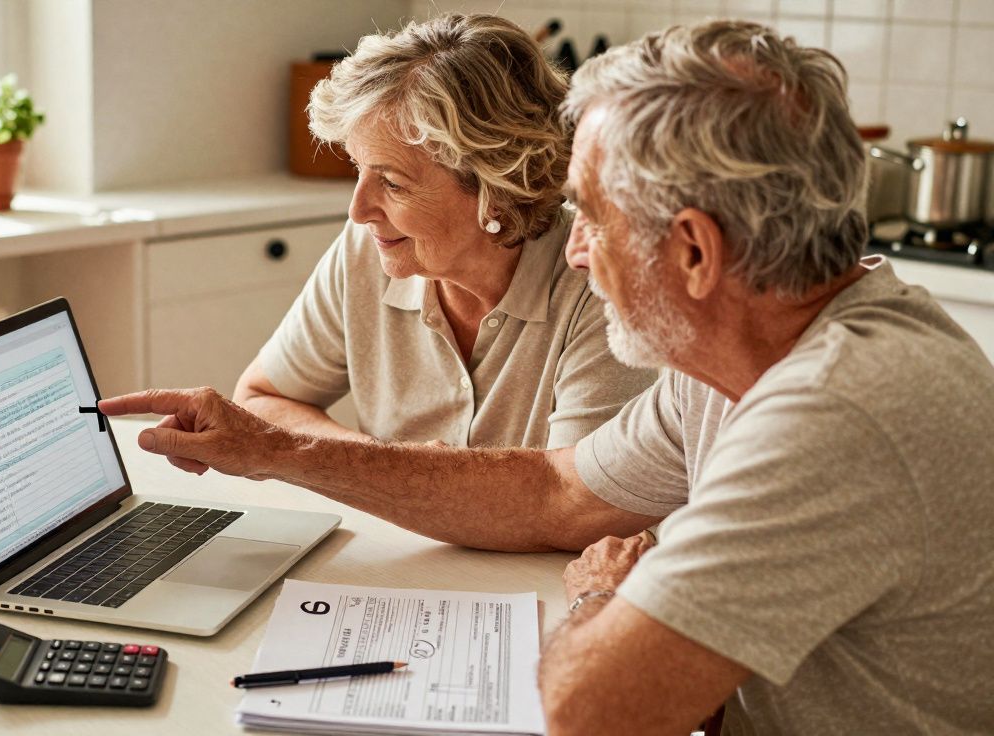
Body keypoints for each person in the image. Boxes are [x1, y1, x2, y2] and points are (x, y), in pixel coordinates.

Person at [101, 19, 994, 733]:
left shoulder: (837, 413)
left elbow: (586, 710)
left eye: (594, 218)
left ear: (693, 251)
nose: (571, 247)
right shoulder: (738, 360)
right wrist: (271, 445)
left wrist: (608, 595)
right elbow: (557, 492)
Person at [223, 13, 654, 452]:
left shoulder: (597, 282)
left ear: (496, 190)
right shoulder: (368, 250)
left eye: (392, 182)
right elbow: (262, 400)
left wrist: (393, 474)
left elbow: (580, 501)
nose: (358, 210)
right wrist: (386, 464)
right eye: (358, 168)